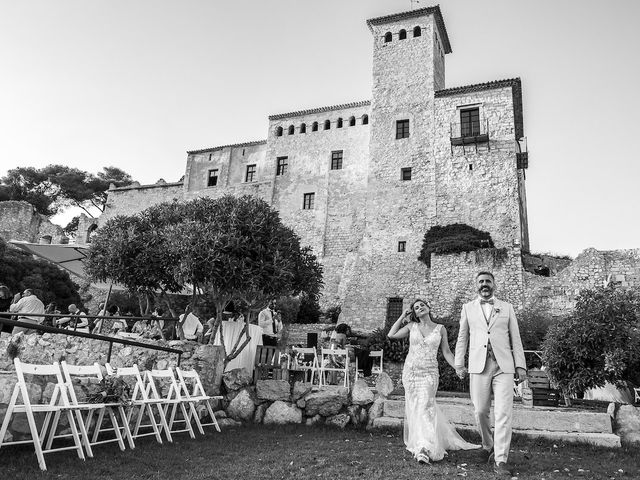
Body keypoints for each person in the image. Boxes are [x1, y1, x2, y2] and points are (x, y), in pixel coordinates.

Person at [388, 298, 479, 464]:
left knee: (425, 406)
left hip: (430, 373)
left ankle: (425, 447)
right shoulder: (411, 326)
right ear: (414, 313)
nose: (420, 307)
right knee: (416, 408)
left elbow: (447, 352)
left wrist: (458, 367)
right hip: (411, 373)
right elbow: (391, 334)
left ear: (428, 308)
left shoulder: (440, 329)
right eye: (416, 307)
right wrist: (402, 315)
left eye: (422, 305)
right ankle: (421, 441)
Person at [454, 271, 527, 477]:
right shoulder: (468, 308)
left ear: (494, 284)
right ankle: (488, 445)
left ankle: (501, 460)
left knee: (503, 413)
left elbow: (516, 338)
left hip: (504, 367)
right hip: (478, 366)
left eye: (488, 281)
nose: (484, 284)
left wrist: (520, 365)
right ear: (476, 285)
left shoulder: (507, 308)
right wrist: (459, 364)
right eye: (481, 281)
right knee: (480, 411)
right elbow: (462, 338)